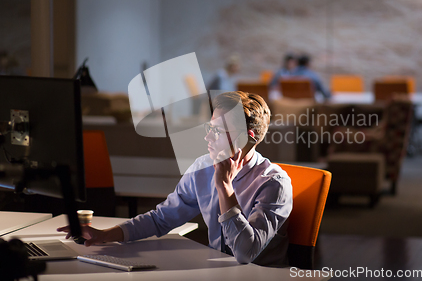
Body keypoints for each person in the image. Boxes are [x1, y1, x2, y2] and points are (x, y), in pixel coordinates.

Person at [57, 91, 293, 266]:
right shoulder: (203, 167)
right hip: (219, 270)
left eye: (218, 131)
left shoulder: (273, 184)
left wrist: (224, 188)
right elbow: (162, 218)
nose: (208, 137)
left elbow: (245, 253)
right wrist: (105, 234)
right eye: (209, 128)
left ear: (246, 137)